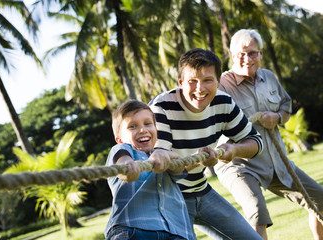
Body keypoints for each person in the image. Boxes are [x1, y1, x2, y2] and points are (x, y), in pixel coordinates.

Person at [215, 28, 323, 240]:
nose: (247, 58)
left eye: (253, 53)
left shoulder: (269, 77)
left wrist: (278, 118)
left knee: (320, 201)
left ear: (261, 54)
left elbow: (286, 105)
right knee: (256, 214)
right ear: (232, 55)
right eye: (241, 54)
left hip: (276, 161)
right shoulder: (221, 85)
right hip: (240, 165)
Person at [149, 48, 263, 239]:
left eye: (208, 80)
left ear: (218, 82)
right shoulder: (161, 107)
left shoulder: (223, 102)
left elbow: (256, 142)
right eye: (192, 81)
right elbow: (165, 166)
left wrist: (234, 150)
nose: (200, 88)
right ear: (180, 82)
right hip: (168, 199)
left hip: (202, 191)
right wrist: (198, 161)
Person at [104, 99, 196, 240]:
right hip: (133, 230)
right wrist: (128, 165)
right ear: (120, 139)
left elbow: (179, 167)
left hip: (177, 231)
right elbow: (122, 164)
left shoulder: (163, 157)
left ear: (156, 129)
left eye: (148, 124)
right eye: (132, 126)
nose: (142, 130)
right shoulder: (123, 149)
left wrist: (165, 154)